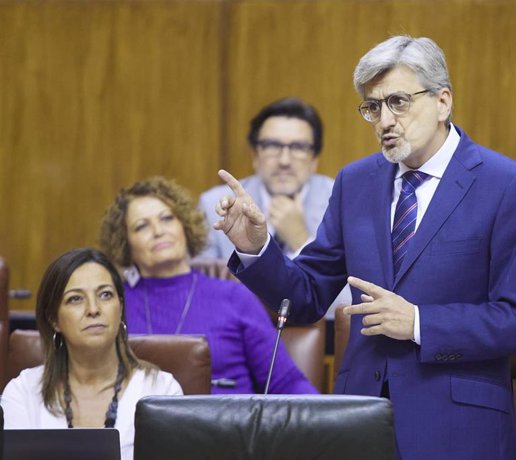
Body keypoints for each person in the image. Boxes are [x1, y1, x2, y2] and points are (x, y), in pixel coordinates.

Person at [213, 36, 516, 459]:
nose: (384, 120)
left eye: (398, 101)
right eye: (372, 108)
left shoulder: (505, 185)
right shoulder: (356, 181)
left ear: (442, 101)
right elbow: (304, 298)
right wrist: (256, 248)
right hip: (362, 418)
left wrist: (418, 322)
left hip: (457, 428)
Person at [99, 176, 317, 395]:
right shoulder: (114, 306)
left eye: (167, 218)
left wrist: (329, 425)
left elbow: (286, 382)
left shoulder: (234, 298)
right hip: (140, 427)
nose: (158, 231)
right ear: (124, 242)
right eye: (142, 226)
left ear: (184, 225)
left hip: (230, 424)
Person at [1, 248, 183, 460]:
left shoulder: (161, 391)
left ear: (120, 307)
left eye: (105, 295)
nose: (93, 309)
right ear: (53, 319)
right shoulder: (23, 392)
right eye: (75, 299)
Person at [198, 97, 334, 260]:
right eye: (272, 145)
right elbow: (202, 282)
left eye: (298, 147)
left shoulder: (340, 203)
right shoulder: (214, 204)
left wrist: (301, 241)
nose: (284, 161)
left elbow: (351, 285)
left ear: (314, 159)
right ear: (255, 155)